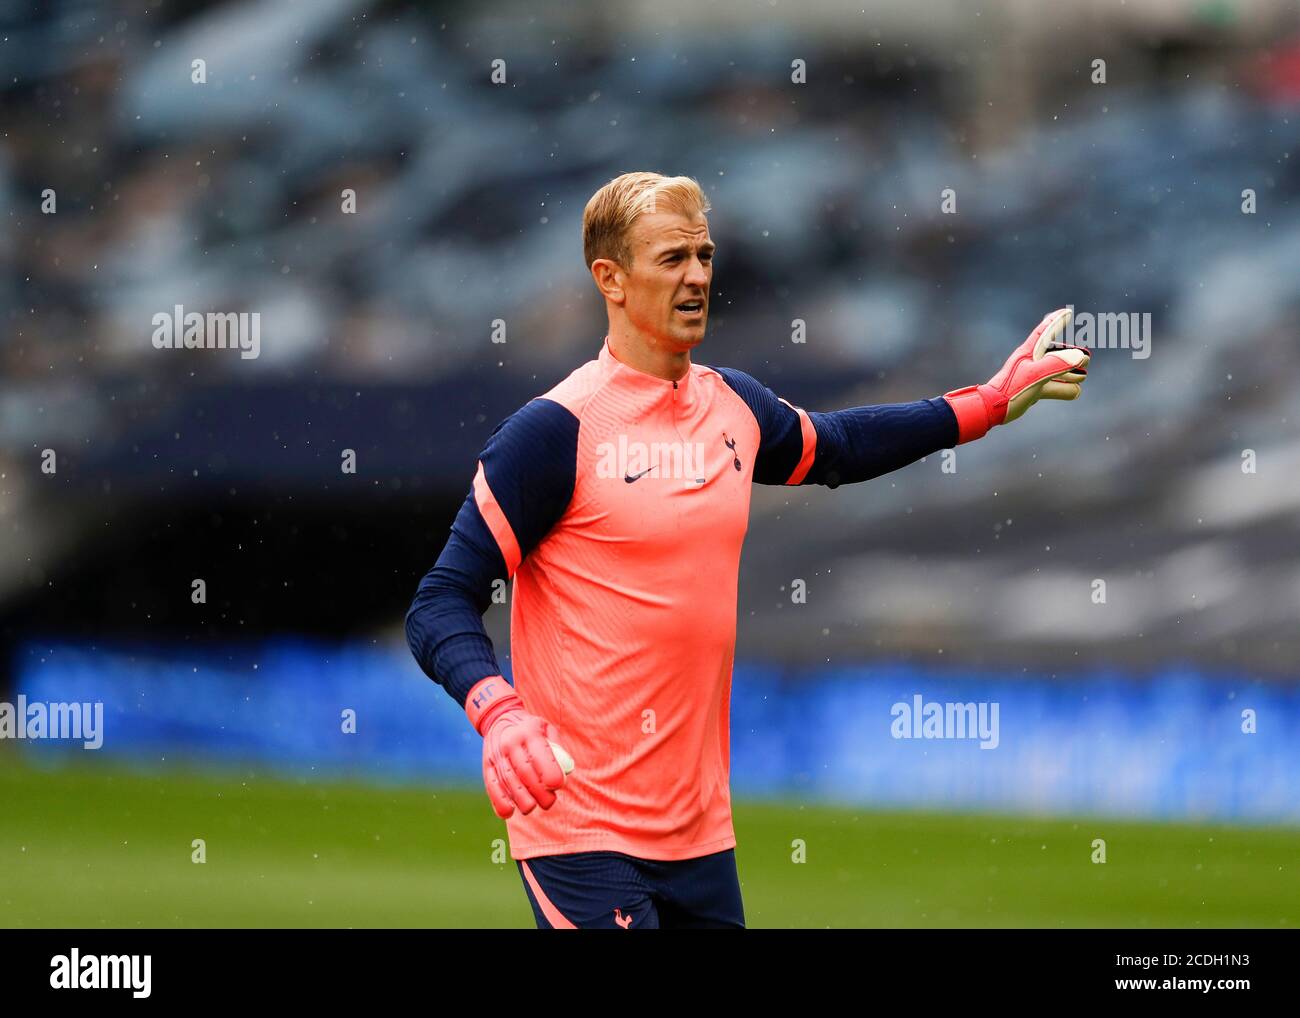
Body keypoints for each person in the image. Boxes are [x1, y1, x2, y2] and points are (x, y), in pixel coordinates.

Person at [405, 171, 1090, 929]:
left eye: (704, 254)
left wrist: (984, 405)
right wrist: (498, 712)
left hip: (700, 838)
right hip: (580, 831)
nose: (697, 274)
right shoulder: (553, 432)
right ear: (611, 279)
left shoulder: (733, 406)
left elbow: (839, 446)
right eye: (671, 258)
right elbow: (440, 600)